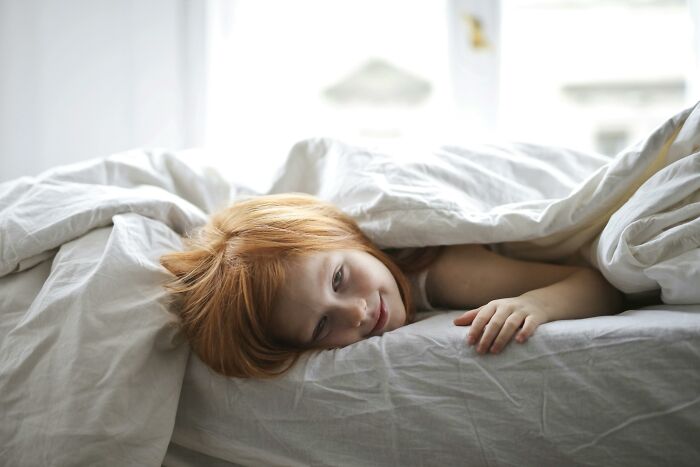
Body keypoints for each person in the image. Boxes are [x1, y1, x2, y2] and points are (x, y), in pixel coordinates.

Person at [161, 193, 624, 378]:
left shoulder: (443, 270)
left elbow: (597, 283)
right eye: (323, 325)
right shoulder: (341, 274)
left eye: (339, 279)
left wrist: (535, 305)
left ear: (343, 234)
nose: (358, 313)